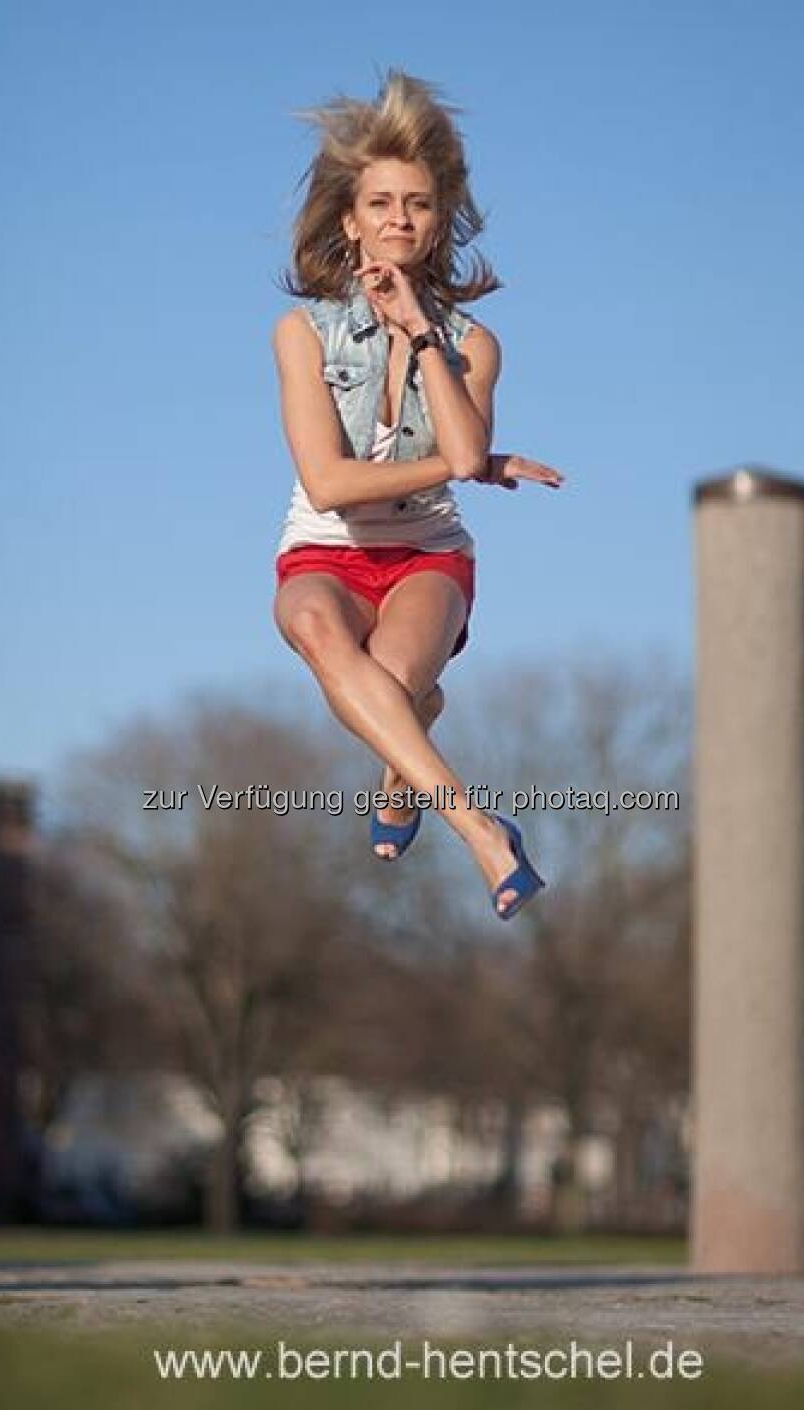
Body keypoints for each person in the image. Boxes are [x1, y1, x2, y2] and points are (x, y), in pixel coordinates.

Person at [270, 69, 564, 919]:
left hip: (427, 558)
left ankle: (403, 762)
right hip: (324, 548)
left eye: (420, 205)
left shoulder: (474, 343)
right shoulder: (302, 334)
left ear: (441, 222)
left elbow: (465, 449)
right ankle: (483, 832)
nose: (400, 218)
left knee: (390, 694)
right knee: (316, 627)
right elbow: (330, 482)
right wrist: (473, 462)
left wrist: (421, 333)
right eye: (382, 203)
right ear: (350, 218)